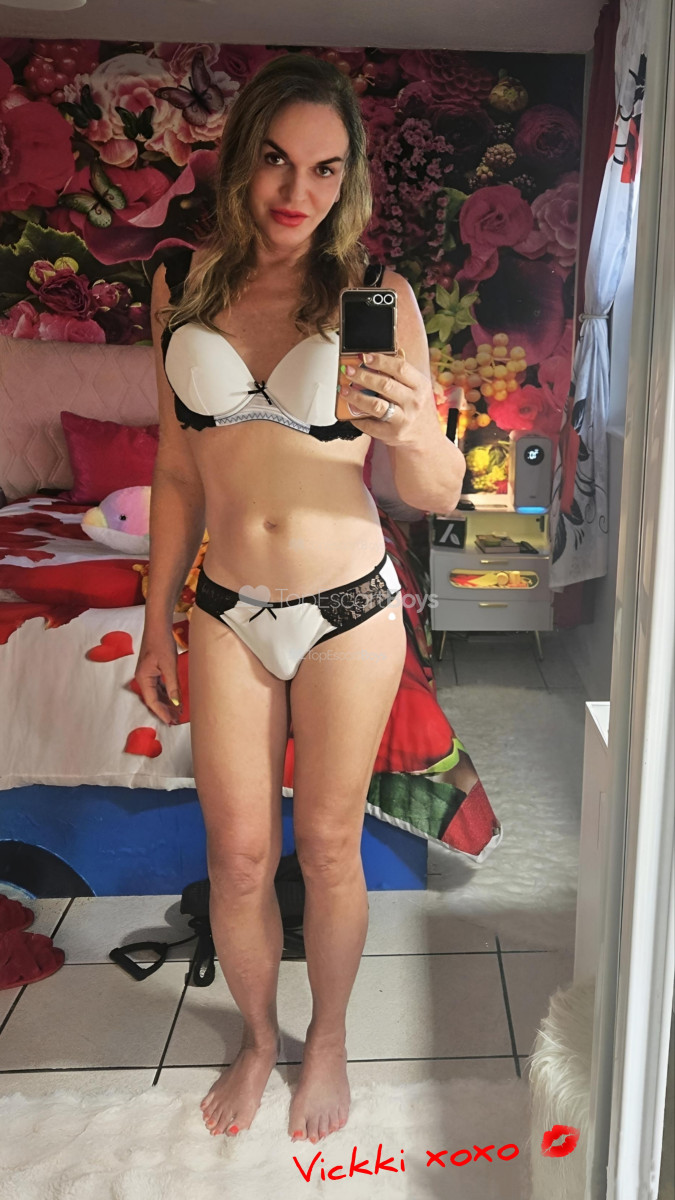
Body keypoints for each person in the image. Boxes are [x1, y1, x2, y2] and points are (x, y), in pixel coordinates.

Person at [135, 52, 465, 1148]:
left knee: (325, 847)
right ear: (241, 159)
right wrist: (154, 622)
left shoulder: (372, 301)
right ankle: (254, 1037)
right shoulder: (183, 287)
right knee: (235, 857)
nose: (298, 191)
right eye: (278, 160)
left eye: (325, 169)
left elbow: (433, 489)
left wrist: (415, 429)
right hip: (226, 605)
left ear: (348, 177)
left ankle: (326, 1040)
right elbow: (177, 471)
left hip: (348, 610)